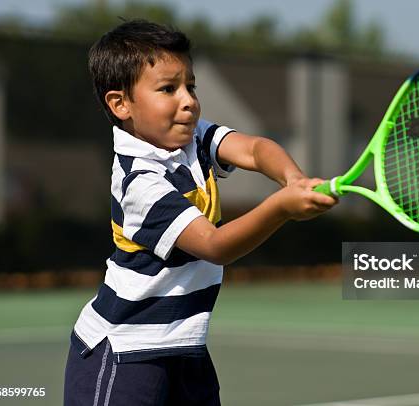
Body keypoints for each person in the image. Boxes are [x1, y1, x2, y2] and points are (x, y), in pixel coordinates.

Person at [63, 19, 337, 406]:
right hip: (124, 352)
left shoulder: (194, 140)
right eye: (168, 89)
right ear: (120, 103)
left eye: (190, 86)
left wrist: (292, 178)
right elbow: (215, 245)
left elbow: (255, 149)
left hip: (185, 347)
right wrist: (282, 208)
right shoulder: (139, 183)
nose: (188, 100)